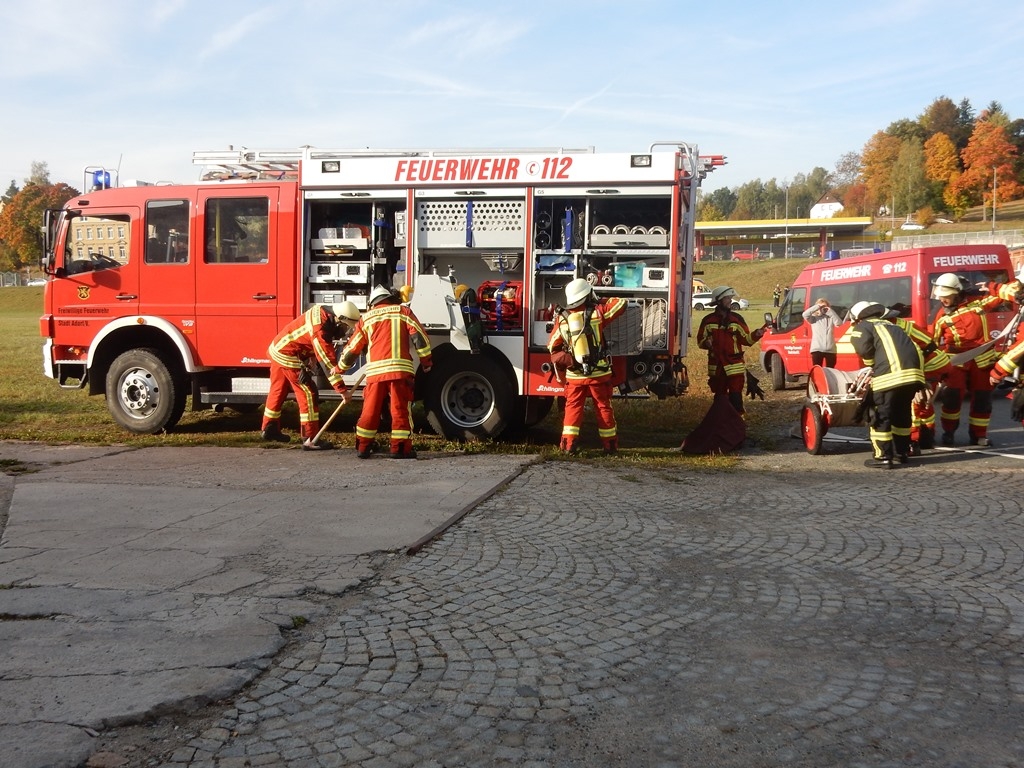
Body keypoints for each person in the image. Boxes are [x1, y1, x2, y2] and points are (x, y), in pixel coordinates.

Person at [339, 285, 432, 459]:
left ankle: (363, 447)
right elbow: (419, 338)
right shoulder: (403, 311)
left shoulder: (366, 318)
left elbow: (352, 348)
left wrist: (339, 368)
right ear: (390, 298)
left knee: (370, 410)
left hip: (375, 373)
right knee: (399, 410)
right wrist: (426, 361)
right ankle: (399, 449)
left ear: (373, 303)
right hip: (400, 372)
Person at [930, 272, 1021, 446]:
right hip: (956, 362)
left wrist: (993, 286)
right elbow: (932, 344)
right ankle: (949, 432)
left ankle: (978, 435)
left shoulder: (978, 303)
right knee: (952, 399)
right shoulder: (940, 316)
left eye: (946, 296)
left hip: (982, 360)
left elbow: (1013, 293)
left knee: (982, 399)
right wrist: (937, 369)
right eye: (941, 296)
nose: (942, 300)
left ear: (957, 292)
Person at [261, 302, 361, 450]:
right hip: (288, 355)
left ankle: (269, 428)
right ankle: (310, 438)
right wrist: (342, 390)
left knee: (278, 390)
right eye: (346, 326)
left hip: (278, 349)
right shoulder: (321, 329)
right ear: (339, 319)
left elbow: (307, 339)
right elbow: (328, 363)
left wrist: (310, 358)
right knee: (308, 392)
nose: (346, 330)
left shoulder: (323, 312)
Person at [547, 277, 627, 454]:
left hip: (575, 375)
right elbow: (621, 303)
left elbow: (552, 346)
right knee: (603, 406)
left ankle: (568, 446)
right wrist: (599, 300)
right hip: (599, 374)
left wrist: (570, 359)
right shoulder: (598, 313)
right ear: (587, 295)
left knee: (572, 408)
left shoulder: (563, 319)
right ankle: (610, 446)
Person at [849, 301, 925, 468]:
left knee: (879, 416)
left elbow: (863, 349)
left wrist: (871, 365)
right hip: (912, 377)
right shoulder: (894, 326)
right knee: (902, 415)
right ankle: (901, 453)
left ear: (857, 318)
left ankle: (883, 457)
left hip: (889, 377)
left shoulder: (863, 326)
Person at [882, 307, 951, 454]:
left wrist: (916, 381)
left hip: (927, 364)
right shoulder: (900, 324)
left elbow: (912, 355)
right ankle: (927, 437)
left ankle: (912, 442)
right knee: (925, 402)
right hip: (936, 362)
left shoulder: (894, 331)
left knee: (911, 403)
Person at [696, 285, 767, 415]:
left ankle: (736, 424)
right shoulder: (708, 321)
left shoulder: (737, 320)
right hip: (717, 367)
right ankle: (720, 424)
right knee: (720, 399)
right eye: (727, 298)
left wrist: (757, 334)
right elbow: (700, 341)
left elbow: (746, 340)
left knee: (736, 399)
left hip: (734, 366)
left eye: (730, 298)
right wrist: (706, 342)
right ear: (719, 300)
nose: (730, 301)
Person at [801, 297, 840, 367]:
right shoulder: (814, 318)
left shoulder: (831, 317)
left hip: (830, 349)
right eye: (821, 307)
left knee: (831, 371)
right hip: (817, 349)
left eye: (824, 306)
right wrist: (818, 306)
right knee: (817, 370)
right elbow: (805, 314)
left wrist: (830, 311)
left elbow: (839, 323)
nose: (823, 308)